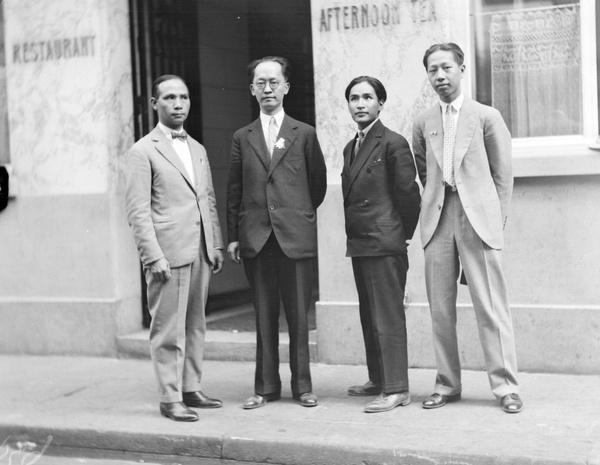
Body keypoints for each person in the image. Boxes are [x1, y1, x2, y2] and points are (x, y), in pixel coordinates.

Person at [412, 43, 523, 413]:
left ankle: (506, 386)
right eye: (432, 70)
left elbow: (502, 177)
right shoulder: (424, 121)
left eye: (446, 68)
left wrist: (495, 222)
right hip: (438, 220)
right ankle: (447, 383)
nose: (440, 76)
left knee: (491, 306)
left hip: (478, 220)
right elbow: (422, 168)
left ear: (462, 69)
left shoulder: (487, 116)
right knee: (440, 310)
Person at [227, 56, 327, 409]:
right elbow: (234, 189)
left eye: (274, 82)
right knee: (264, 316)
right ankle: (266, 387)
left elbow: (318, 187)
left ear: (286, 87)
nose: (267, 89)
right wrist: (235, 235)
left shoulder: (304, 133)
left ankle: (303, 387)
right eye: (260, 83)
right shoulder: (243, 137)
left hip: (294, 238)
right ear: (252, 89)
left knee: (299, 317)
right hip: (257, 239)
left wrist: (296, 216)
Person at [125, 75, 224, 422]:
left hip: (199, 250)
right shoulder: (143, 150)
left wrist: (216, 245)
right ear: (155, 104)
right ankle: (170, 398)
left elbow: (207, 199)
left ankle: (191, 387)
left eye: (183, 97)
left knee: (196, 323)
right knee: (168, 329)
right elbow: (138, 212)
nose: (178, 104)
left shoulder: (197, 148)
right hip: (167, 254)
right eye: (169, 98)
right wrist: (153, 257)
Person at [341, 76, 421, 413]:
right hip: (360, 243)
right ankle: (378, 378)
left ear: (380, 104)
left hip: (385, 242)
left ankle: (397, 388)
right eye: (354, 98)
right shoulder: (351, 146)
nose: (360, 104)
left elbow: (409, 194)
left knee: (387, 316)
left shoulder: (392, 142)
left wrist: (402, 234)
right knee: (369, 315)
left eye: (367, 97)